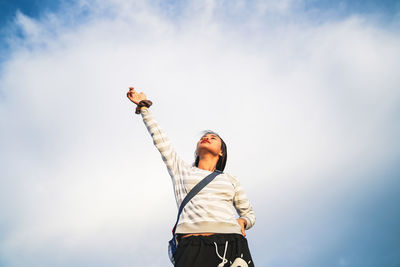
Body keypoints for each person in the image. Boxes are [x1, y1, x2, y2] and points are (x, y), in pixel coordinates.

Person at [127, 86, 256, 267]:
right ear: (196, 150)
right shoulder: (182, 170)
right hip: (192, 246)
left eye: (213, 138)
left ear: (221, 152)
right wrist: (144, 108)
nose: (207, 138)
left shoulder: (230, 180)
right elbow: (161, 139)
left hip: (232, 243)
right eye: (203, 137)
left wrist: (243, 221)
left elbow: (249, 214)